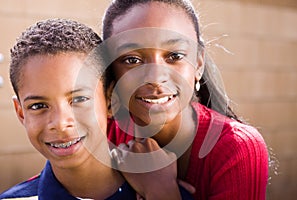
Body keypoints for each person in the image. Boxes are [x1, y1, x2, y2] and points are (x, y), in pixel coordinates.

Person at [0, 18, 194, 200]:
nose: (60, 123)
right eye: (39, 106)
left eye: (78, 99)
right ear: (20, 112)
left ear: (111, 102)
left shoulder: (169, 193)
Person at [101, 0, 269, 199]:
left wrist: (160, 190)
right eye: (132, 60)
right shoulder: (103, 134)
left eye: (174, 56)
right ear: (110, 70)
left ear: (198, 64)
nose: (155, 78)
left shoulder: (236, 148)